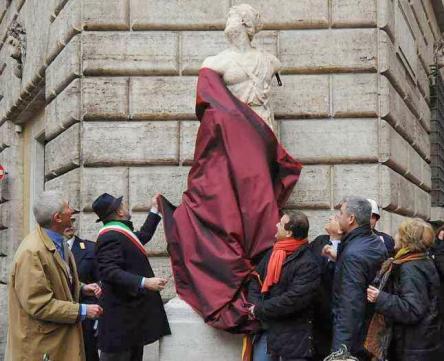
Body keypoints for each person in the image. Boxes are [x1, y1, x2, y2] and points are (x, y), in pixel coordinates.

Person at [158, 3, 302, 333]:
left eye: (233, 16)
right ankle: (236, 272)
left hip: (262, 132)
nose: (228, 21)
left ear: (245, 24)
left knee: (259, 202)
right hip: (232, 141)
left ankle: (257, 268)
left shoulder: (269, 60)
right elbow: (210, 105)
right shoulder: (215, 63)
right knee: (229, 202)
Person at [6, 191, 103, 361]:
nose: (72, 210)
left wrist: (81, 287)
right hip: (41, 347)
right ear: (57, 218)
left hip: (56, 343)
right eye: (67, 207)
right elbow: (39, 304)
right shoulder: (32, 252)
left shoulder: (57, 242)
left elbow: (56, 279)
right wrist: (83, 310)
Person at [93, 193, 171, 361]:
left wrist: (155, 210)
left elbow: (142, 236)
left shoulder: (119, 234)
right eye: (122, 204)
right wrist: (144, 282)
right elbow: (109, 271)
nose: (126, 206)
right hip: (119, 326)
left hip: (129, 324)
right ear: (119, 212)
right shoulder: (110, 236)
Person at [248, 212, 320, 361]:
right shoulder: (273, 253)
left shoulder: (308, 263)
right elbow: (256, 280)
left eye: (280, 224)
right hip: (266, 330)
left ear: (289, 232)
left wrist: (260, 309)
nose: (276, 225)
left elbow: (293, 299)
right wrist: (256, 304)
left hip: (293, 340)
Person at [366, 218, 440, 361]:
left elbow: (412, 309)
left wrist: (380, 298)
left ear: (407, 239)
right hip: (420, 342)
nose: (395, 236)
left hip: (413, 347)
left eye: (398, 233)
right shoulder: (420, 260)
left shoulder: (411, 267)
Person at [330, 196, 387, 359]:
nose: (337, 216)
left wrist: (340, 352)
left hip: (356, 339)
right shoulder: (374, 241)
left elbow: (350, 305)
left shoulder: (354, 254)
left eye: (341, 213)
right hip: (370, 333)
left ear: (351, 219)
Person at [64, 216, 100, 361]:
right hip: (59, 317)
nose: (70, 224)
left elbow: (101, 281)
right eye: (66, 221)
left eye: (72, 220)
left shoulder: (90, 248)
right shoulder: (49, 250)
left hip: (85, 319)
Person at [309, 216, 344, 360]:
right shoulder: (319, 241)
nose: (330, 217)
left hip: (337, 311)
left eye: (336, 217)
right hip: (317, 310)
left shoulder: (348, 245)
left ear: (341, 229)